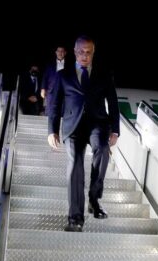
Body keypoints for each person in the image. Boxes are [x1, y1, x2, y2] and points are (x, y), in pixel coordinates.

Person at [46, 36, 119, 232]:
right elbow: (54, 105)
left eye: (88, 52)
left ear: (93, 53)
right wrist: (52, 130)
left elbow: (113, 103)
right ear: (74, 52)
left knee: (102, 150)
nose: (84, 56)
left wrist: (115, 130)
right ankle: (75, 218)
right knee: (75, 166)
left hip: (97, 123)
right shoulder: (63, 75)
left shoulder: (104, 75)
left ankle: (94, 200)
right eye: (80, 52)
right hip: (73, 127)